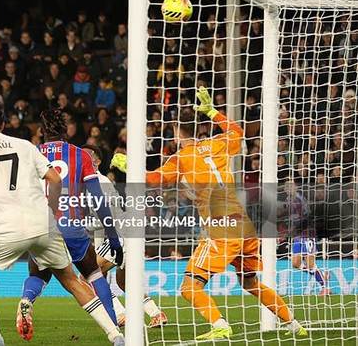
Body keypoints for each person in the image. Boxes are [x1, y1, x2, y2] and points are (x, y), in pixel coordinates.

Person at [110, 87, 306, 340]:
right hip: (244, 225)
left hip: (221, 227)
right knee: (250, 283)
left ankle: (220, 325)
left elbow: (154, 180)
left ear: (178, 133)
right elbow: (237, 132)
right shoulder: (217, 144)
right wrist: (213, 111)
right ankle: (294, 324)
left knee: (189, 287)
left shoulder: (181, 158)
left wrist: (130, 166)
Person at [0, 100, 123, 346]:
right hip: (45, 223)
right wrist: (51, 212)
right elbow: (56, 179)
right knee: (73, 279)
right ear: (3, 123)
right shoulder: (26, 146)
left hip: (6, 227)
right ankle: (115, 335)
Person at [16, 109, 123, 341]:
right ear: (66, 131)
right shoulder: (80, 155)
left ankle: (26, 299)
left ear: (42, 131)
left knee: (38, 274)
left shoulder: (31, 154)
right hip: (72, 226)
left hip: (41, 226)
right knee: (94, 274)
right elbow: (98, 198)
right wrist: (113, 236)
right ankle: (114, 330)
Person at [82, 144, 167, 328]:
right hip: (122, 233)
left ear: (97, 161)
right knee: (124, 282)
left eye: (87, 156)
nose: (82, 160)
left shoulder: (99, 182)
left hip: (120, 234)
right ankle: (156, 313)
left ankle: (121, 314)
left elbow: (107, 216)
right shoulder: (90, 183)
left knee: (89, 275)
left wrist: (82, 225)